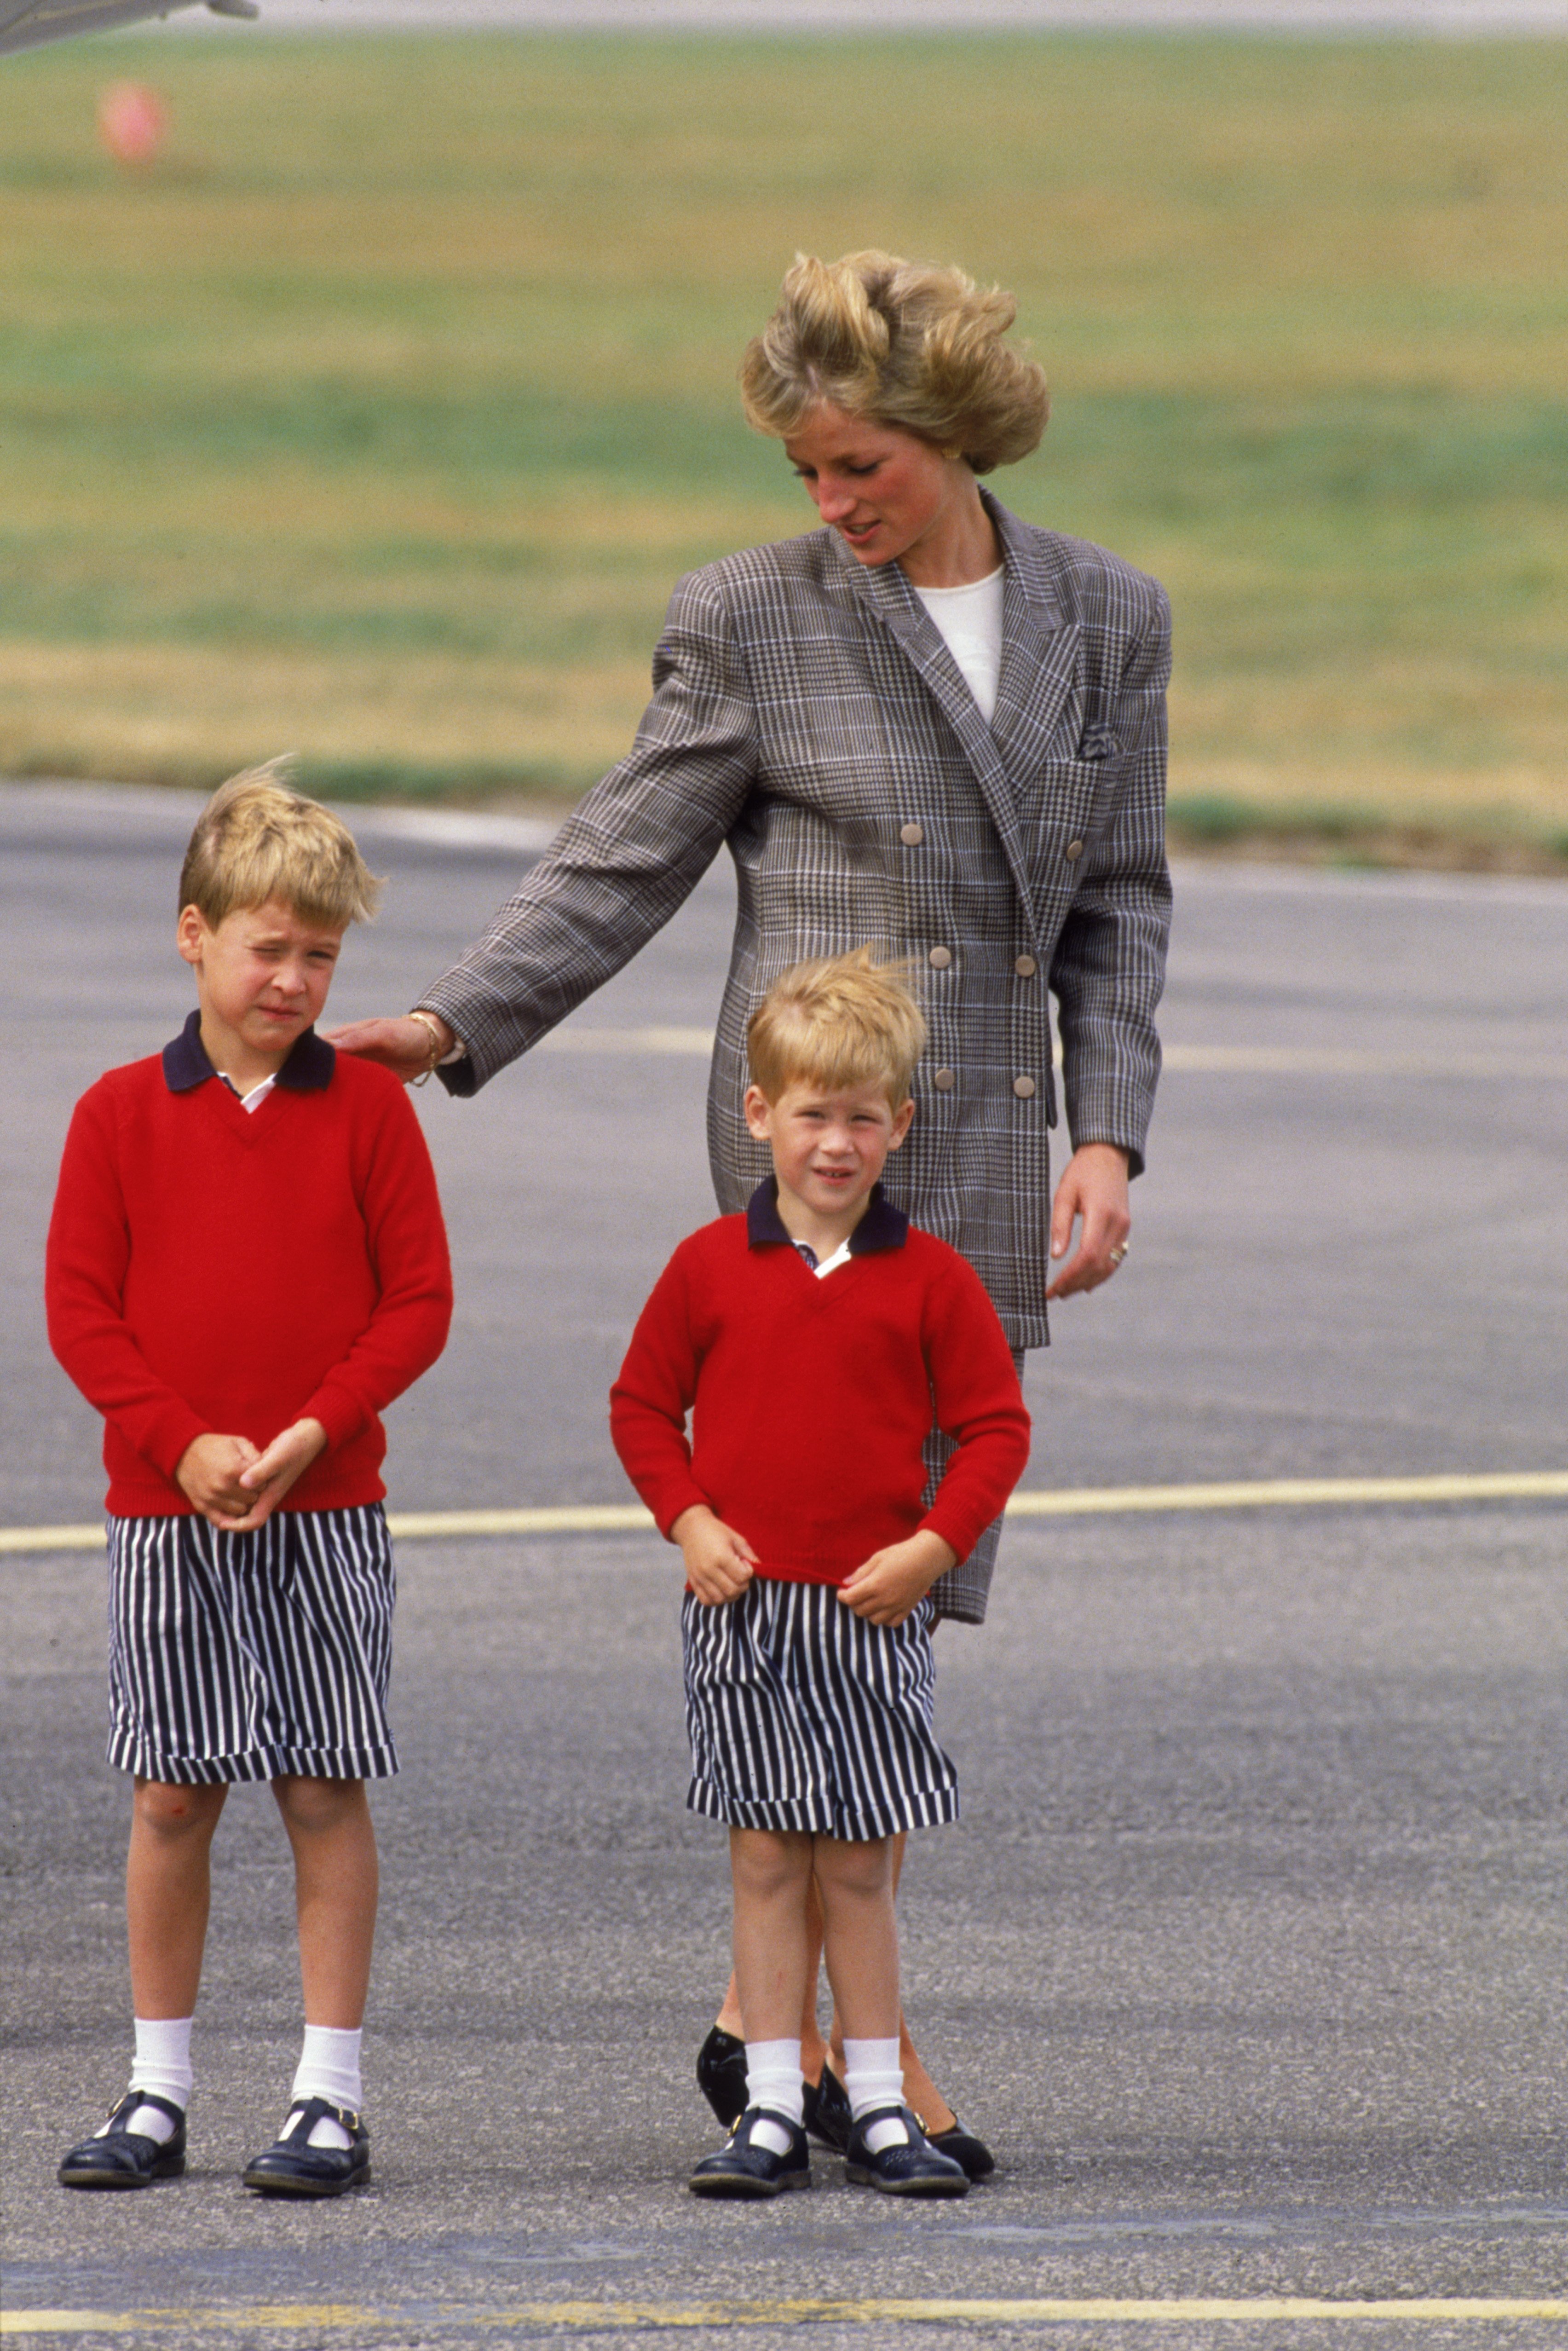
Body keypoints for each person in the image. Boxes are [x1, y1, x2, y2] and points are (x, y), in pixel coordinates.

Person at [331, 249, 1171, 2160]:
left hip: (979, 1151)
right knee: (814, 1603)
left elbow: (1121, 898)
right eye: (803, 472)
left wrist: (1107, 1134)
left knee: (900, 1599)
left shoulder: (1110, 618)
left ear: (954, 438)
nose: (829, 505)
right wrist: (460, 1018)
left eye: (859, 467)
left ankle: (760, 2030)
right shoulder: (752, 618)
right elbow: (626, 849)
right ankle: (853, 2063)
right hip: (814, 1167)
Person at [45, 768, 453, 2199]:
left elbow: (417, 1305)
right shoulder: (115, 1116)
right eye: (267, 949)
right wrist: (183, 1443)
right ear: (194, 936)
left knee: (324, 1786)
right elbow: (80, 1312)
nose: (292, 980)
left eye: (321, 957)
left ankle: (327, 2098)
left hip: (327, 1509)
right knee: (171, 1797)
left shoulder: (371, 1116)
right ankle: (157, 2092)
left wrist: (314, 1430)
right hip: (167, 1515)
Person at [611, 953, 1031, 2197]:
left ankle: (884, 2105)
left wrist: (934, 1549)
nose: (836, 1144)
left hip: (868, 1611)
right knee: (763, 1858)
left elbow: (996, 1428)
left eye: (862, 1119)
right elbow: (642, 1405)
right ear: (760, 1116)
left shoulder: (931, 1278)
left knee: (857, 1861)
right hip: (742, 1611)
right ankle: (773, 2108)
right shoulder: (706, 1267)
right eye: (812, 1114)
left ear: (900, 1126)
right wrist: (686, 1520)